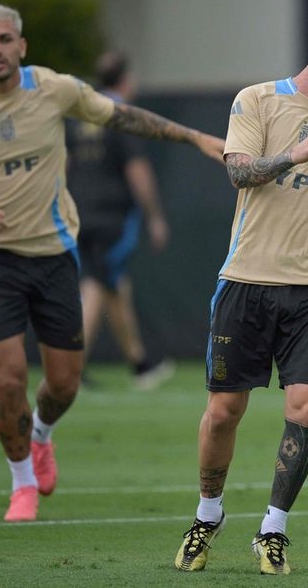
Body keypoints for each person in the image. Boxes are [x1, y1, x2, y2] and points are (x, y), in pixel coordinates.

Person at [0, 5, 224, 523]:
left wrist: (196, 137)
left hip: (53, 257)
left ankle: (42, 436)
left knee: (64, 384)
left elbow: (123, 115)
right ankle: (22, 481)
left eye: (6, 39)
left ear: (22, 47)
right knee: (8, 381)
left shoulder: (54, 89)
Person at [173, 15, 308, 575]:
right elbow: (239, 173)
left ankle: (273, 529)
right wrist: (292, 157)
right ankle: (208, 515)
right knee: (224, 411)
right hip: (245, 281)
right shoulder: (257, 101)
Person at [67, 51, 175, 390]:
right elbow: (138, 171)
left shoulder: (81, 115)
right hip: (112, 217)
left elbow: (66, 165)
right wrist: (155, 216)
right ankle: (70, 368)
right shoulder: (121, 115)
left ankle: (140, 364)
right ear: (126, 81)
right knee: (98, 285)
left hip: (79, 213)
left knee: (114, 286)